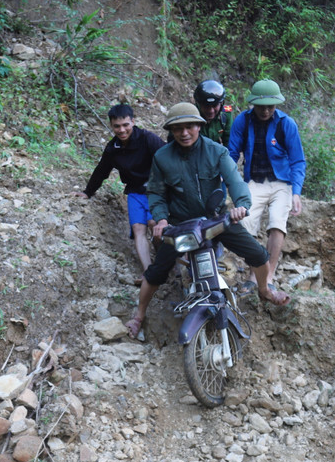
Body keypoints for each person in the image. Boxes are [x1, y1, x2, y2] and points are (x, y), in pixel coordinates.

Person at [124, 103, 289, 338]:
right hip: (180, 225)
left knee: (259, 256)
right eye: (178, 128)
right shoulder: (162, 157)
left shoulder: (216, 151)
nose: (184, 133)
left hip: (215, 221)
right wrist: (160, 219)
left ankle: (264, 289)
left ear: (199, 126)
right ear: (171, 131)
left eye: (189, 126)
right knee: (155, 273)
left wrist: (241, 205)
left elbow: (235, 181)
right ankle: (139, 315)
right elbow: (156, 193)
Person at [227, 79, 306, 295]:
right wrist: (226, 180)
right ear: (253, 104)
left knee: (277, 223)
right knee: (246, 222)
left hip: (282, 182)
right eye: (262, 106)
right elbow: (231, 154)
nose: (266, 110)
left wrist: (296, 192)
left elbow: (298, 161)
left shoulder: (286, 124)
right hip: (255, 181)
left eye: (270, 106)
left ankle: (268, 276)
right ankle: (255, 275)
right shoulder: (242, 122)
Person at [73, 104, 165, 275]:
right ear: (111, 126)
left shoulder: (147, 139)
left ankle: (165, 259)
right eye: (117, 126)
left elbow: (168, 158)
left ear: (133, 122)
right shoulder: (112, 148)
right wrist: (87, 192)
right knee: (139, 229)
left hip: (157, 189)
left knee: (155, 224)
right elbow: (101, 171)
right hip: (135, 192)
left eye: (125, 125)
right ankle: (149, 273)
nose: (122, 130)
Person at [194, 79, 233, 146]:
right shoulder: (191, 115)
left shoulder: (226, 115)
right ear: (199, 104)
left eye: (215, 106)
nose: (211, 111)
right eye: (206, 106)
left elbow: (229, 141)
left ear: (221, 104)